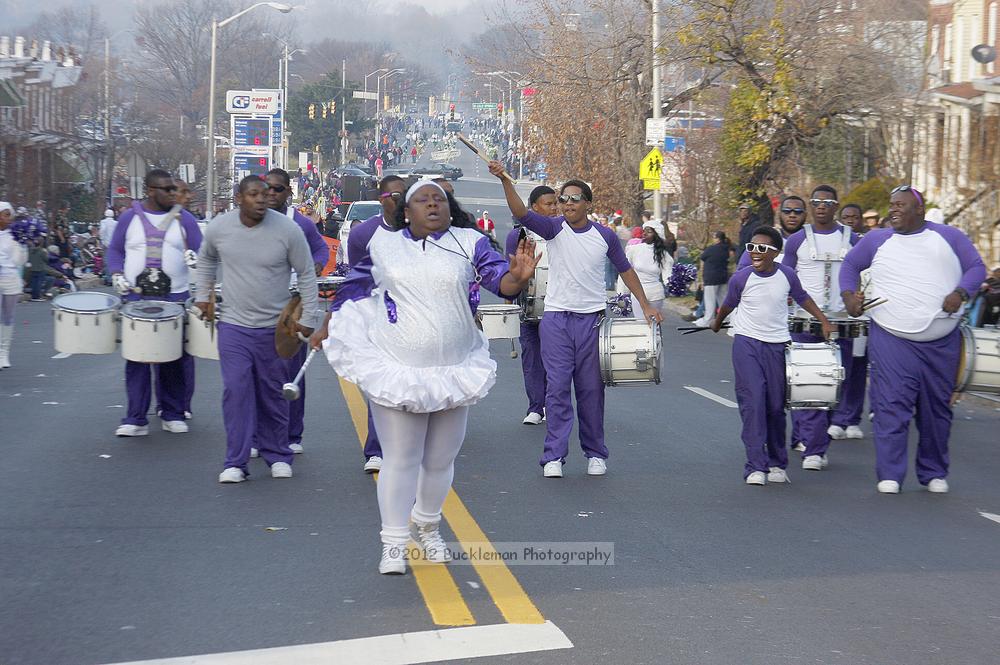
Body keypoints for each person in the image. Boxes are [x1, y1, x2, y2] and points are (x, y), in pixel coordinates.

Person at [310, 178, 538, 574]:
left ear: (450, 208)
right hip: (398, 368)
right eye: (423, 200)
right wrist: (326, 324)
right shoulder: (384, 245)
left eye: (440, 199)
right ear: (406, 211)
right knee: (400, 459)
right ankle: (394, 544)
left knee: (439, 459)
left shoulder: (470, 241)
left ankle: (427, 527)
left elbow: (499, 281)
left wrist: (517, 277)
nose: (433, 204)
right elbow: (355, 289)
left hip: (454, 368)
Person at [490, 160, 663, 478]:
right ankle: (554, 455)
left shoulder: (605, 236)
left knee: (591, 390)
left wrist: (646, 305)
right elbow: (521, 212)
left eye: (574, 198)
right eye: (563, 199)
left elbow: (626, 270)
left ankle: (595, 453)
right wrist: (504, 180)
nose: (567, 203)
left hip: (592, 321)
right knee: (556, 389)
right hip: (556, 320)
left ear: (588, 204)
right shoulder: (553, 228)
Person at [840, 185, 985, 494]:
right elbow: (850, 265)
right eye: (891, 205)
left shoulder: (949, 236)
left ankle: (933, 471)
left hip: (941, 338)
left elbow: (976, 267)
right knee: (892, 403)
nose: (893, 210)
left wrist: (960, 293)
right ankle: (890, 473)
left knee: (936, 408)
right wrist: (850, 297)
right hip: (892, 337)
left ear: (918, 210)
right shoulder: (877, 239)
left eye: (901, 205)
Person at [196, 175, 319, 483]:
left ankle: (277, 453)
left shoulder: (287, 230)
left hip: (275, 328)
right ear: (239, 198)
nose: (262, 199)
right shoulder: (220, 228)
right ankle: (235, 462)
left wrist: (309, 316)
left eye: (265, 194)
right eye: (254, 194)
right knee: (236, 391)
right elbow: (206, 260)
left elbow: (306, 273)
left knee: (272, 392)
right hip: (233, 326)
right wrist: (202, 296)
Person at [713, 226, 832, 485]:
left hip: (777, 345)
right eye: (752, 247)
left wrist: (823, 320)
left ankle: (777, 463)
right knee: (754, 402)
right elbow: (728, 305)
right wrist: (716, 321)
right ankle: (755, 466)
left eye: (762, 248)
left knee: (776, 406)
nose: (756, 252)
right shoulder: (741, 278)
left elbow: (803, 298)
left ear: (776, 253)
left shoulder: (787, 275)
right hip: (746, 343)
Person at [106, 169, 203, 437]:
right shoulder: (128, 218)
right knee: (136, 359)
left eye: (174, 189)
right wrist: (116, 274)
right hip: (137, 297)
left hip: (175, 298)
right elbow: (115, 250)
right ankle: (135, 418)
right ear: (150, 190)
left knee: (172, 359)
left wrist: (197, 260)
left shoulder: (185, 220)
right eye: (167, 190)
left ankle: (172, 413)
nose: (174, 194)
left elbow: (205, 252)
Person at [781, 185, 861, 467]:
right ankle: (814, 449)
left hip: (841, 323)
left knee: (835, 383)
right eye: (817, 202)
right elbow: (786, 278)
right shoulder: (796, 241)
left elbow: (865, 274)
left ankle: (811, 437)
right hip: (805, 321)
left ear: (836, 206)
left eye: (828, 202)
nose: (822, 206)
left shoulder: (853, 239)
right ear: (811, 206)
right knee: (807, 381)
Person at [260, 168, 331, 457]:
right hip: (258, 306)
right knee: (260, 374)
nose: (271, 194)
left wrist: (314, 265)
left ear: (289, 192)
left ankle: (291, 433)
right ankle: (257, 435)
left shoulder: (300, 223)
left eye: (278, 189)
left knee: (290, 370)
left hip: (293, 304)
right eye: (267, 188)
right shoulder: (251, 219)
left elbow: (321, 251)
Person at [345, 175, 408, 473]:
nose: (398, 200)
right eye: (392, 195)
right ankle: (377, 450)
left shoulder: (425, 231)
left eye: (403, 195)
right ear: (381, 198)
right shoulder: (362, 235)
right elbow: (358, 278)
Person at [505, 185, 557, 425]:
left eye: (555, 203)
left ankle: (552, 404)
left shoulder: (562, 231)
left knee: (555, 360)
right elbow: (509, 274)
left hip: (558, 309)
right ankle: (536, 407)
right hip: (528, 308)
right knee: (532, 359)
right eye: (549, 203)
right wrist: (508, 307)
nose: (555, 207)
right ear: (534, 207)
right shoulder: (517, 236)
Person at [619, 219, 674, 319]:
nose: (645, 234)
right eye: (644, 231)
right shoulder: (634, 249)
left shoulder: (664, 255)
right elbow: (625, 271)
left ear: (657, 234)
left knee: (653, 325)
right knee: (640, 323)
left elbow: (667, 276)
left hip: (656, 294)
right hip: (637, 292)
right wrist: (622, 293)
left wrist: (674, 285)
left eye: (649, 232)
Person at [0, 201, 27, 369]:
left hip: (10, 278)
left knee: (8, 317)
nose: (7, 218)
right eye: (4, 214)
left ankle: (3, 354)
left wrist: (23, 246)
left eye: (9, 214)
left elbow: (20, 261)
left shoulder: (16, 234)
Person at [692, 231, 732, 328]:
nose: (713, 239)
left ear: (718, 239)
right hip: (723, 277)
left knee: (710, 300)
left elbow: (703, 257)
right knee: (723, 299)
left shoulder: (711, 249)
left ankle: (708, 320)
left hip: (711, 277)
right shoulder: (726, 249)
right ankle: (728, 318)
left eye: (714, 237)